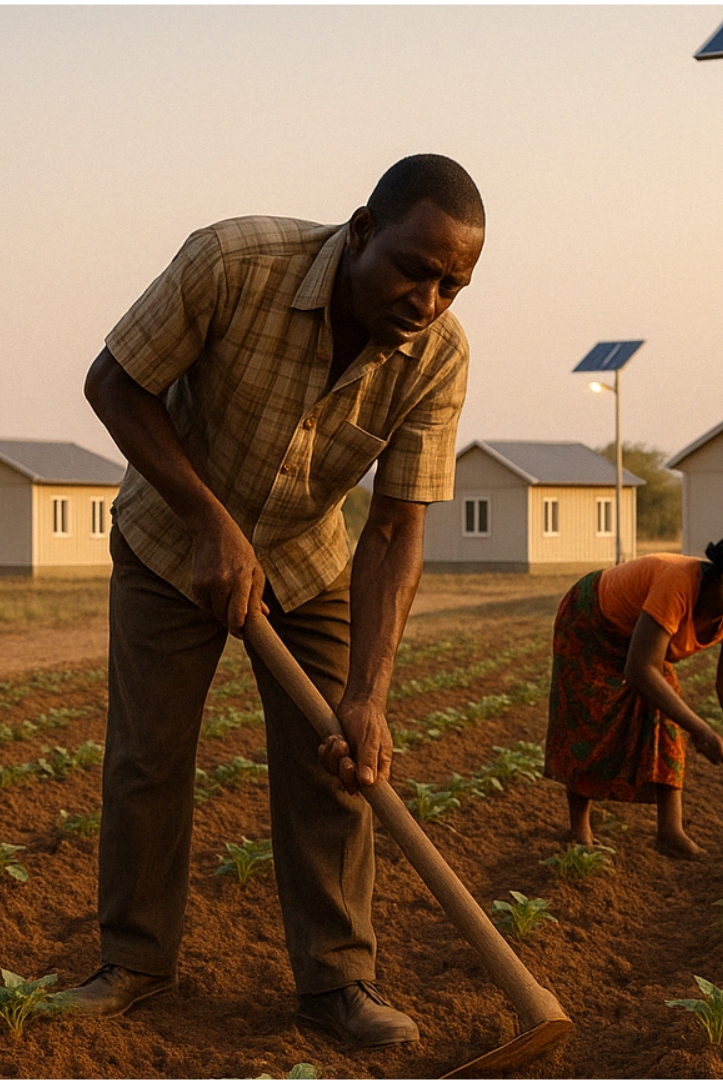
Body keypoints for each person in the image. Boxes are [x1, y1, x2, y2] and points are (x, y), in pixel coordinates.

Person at [74, 155, 486, 1048]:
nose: (430, 298)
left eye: (453, 283)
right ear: (364, 230)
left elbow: (394, 531)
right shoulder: (233, 264)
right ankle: (134, 961)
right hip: (170, 543)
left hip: (309, 559)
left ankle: (338, 983)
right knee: (149, 756)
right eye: (417, 268)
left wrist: (369, 695)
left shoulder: (438, 358)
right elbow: (113, 383)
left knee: (336, 760)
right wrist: (207, 520)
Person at [543, 531, 723, 859]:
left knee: (667, 716)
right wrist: (704, 732)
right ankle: (579, 830)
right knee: (590, 717)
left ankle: (670, 833)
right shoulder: (678, 583)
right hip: (592, 620)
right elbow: (641, 670)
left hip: (641, 644)